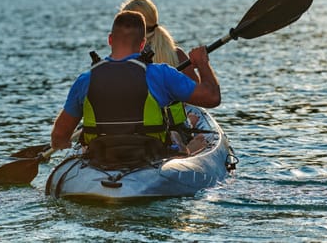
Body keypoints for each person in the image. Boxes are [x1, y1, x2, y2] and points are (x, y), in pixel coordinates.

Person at [50, 11, 220, 154]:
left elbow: (59, 136)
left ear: (110, 40)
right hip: (150, 156)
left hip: (101, 158)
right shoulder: (161, 74)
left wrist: (64, 144)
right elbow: (212, 98)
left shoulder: (85, 80)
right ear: (142, 44)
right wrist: (202, 63)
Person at [120, 0, 202, 153]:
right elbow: (197, 96)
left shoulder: (120, 59)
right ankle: (184, 142)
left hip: (131, 130)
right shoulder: (177, 55)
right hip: (170, 125)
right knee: (193, 126)